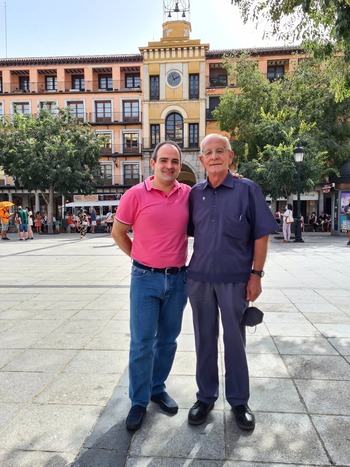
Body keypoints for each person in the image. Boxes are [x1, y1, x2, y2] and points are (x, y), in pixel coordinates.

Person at [186, 134, 278, 431]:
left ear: (230, 156)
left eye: (219, 151)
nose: (214, 156)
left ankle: (239, 401)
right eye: (208, 153)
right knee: (203, 340)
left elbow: (261, 234)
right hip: (199, 279)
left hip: (235, 281)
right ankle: (206, 397)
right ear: (201, 160)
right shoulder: (193, 193)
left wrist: (257, 274)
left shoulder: (247, 189)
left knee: (235, 341)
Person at [111, 141, 190, 432]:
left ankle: (157, 388)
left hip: (179, 279)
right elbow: (118, 232)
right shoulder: (134, 195)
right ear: (153, 163)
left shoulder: (188, 195)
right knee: (142, 342)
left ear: (180, 166)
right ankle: (138, 401)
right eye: (164, 160)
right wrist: (139, 256)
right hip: (145, 279)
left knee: (168, 340)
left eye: (175, 161)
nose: (169, 166)